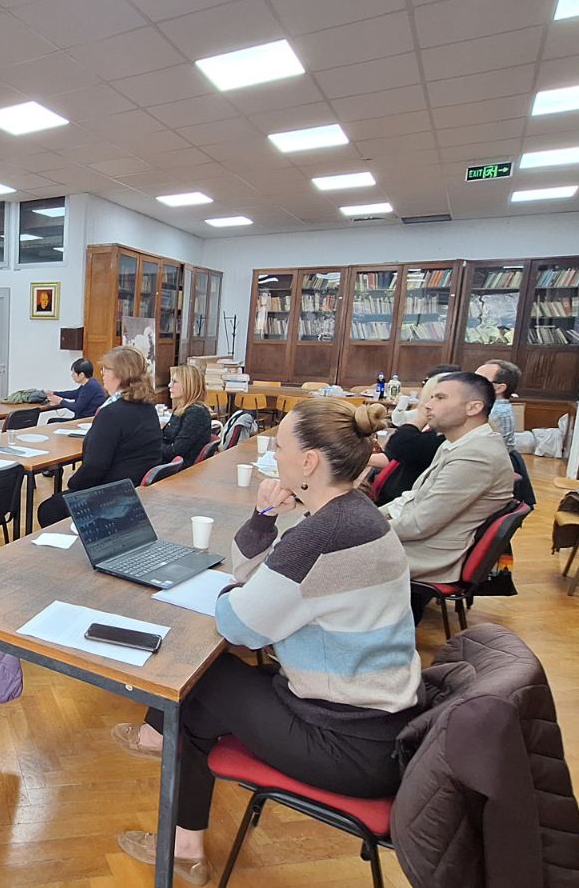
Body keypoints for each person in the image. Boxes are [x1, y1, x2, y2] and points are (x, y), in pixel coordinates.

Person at [109, 399, 420, 883]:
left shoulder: (322, 536)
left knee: (195, 683)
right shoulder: (356, 513)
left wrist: (235, 592)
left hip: (348, 745)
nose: (274, 455)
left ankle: (180, 833)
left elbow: (238, 623)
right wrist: (264, 515)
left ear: (309, 462)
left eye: (281, 446)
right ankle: (185, 841)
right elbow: (260, 580)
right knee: (205, 699)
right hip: (380, 727)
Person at [381, 372, 515, 589]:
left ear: (473, 407)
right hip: (416, 541)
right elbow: (413, 498)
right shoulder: (456, 442)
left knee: (329, 554)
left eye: (440, 398)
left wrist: (362, 529)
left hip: (425, 554)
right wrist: (366, 517)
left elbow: (419, 525)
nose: (428, 405)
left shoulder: (477, 456)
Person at [36, 347, 161, 527]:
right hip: (135, 489)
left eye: (106, 369)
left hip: (113, 496)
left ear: (120, 374)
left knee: (49, 510)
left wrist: (73, 483)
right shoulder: (147, 407)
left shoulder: (112, 413)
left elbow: (95, 466)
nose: (102, 373)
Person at [371, 372, 452, 505]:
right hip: (392, 499)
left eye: (438, 398)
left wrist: (421, 418)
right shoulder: (435, 432)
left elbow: (399, 445)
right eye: (431, 398)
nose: (428, 405)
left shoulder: (443, 438)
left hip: (399, 503)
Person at [161, 364, 211, 467]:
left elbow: (176, 451)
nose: (169, 385)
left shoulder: (196, 413)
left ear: (188, 385)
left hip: (178, 468)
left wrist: (151, 447)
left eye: (174, 382)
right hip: (168, 462)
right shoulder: (180, 409)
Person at [475, 359, 521, 451]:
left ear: (499, 388)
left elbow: (486, 450)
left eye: (479, 380)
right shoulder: (486, 407)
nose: (469, 384)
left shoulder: (497, 412)